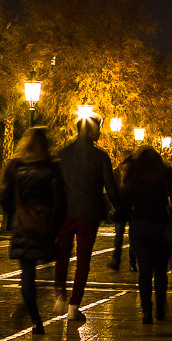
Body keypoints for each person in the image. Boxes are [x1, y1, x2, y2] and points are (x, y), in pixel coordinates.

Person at [0, 129, 66, 335]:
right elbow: (60, 201)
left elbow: (3, 198)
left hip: (23, 225)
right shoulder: (52, 168)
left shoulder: (15, 167)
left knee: (27, 274)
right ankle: (38, 299)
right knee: (44, 269)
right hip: (44, 226)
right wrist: (56, 225)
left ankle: (35, 319)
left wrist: (15, 214)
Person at [53, 114, 120, 323]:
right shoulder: (100, 157)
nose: (100, 131)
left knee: (62, 254)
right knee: (83, 260)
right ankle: (74, 305)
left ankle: (59, 294)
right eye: (98, 128)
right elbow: (111, 188)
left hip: (65, 212)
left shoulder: (63, 154)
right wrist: (120, 208)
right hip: (89, 214)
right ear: (89, 130)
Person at [118, 146, 172, 323]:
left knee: (144, 271)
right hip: (160, 224)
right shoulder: (164, 172)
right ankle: (160, 306)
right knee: (160, 270)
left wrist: (119, 214)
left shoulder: (135, 172)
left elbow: (125, 197)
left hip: (139, 225)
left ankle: (146, 310)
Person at [108, 158, 136, 272]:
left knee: (131, 237)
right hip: (121, 208)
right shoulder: (117, 173)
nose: (126, 165)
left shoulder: (134, 176)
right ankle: (116, 261)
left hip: (131, 208)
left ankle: (132, 262)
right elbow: (112, 189)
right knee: (119, 236)